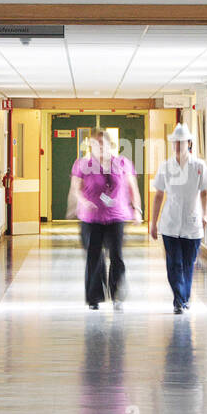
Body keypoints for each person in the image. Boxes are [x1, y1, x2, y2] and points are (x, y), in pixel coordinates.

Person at [67, 130, 142, 310]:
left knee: (116, 256)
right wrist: (83, 201)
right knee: (94, 257)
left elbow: (133, 188)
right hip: (91, 218)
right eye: (94, 144)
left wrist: (137, 209)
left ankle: (117, 294)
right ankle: (94, 297)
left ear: (110, 144)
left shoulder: (123, 163)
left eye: (102, 143)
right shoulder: (83, 164)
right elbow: (76, 188)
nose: (98, 147)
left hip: (116, 217)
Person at [149, 123, 207, 314]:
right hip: (170, 224)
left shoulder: (199, 166)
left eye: (181, 142)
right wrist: (153, 222)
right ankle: (179, 300)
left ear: (189, 143)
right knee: (174, 264)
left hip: (192, 224)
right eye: (175, 142)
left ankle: (183, 298)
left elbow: (205, 194)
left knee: (187, 264)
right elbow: (159, 195)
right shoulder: (166, 167)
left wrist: (205, 214)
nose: (178, 145)